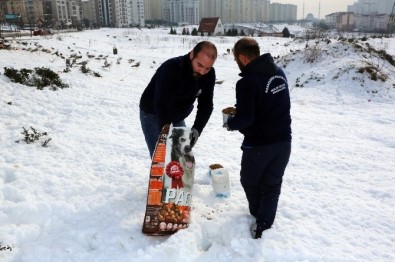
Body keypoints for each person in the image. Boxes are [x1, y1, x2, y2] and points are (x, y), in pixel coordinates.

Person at [224, 38, 292, 239]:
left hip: (259, 146)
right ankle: (265, 223)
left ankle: (257, 214)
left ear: (243, 58)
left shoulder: (246, 82)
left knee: (249, 181)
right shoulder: (279, 73)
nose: (237, 62)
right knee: (272, 184)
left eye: (236, 59)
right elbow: (268, 104)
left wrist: (230, 123)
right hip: (284, 142)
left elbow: (245, 119)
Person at [140, 41, 218, 157]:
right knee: (161, 157)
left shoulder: (209, 74)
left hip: (177, 114)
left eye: (207, 68)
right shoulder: (171, 69)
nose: (202, 72)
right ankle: (162, 174)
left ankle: (178, 174)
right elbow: (162, 105)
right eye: (200, 65)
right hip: (153, 112)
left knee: (181, 156)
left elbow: (206, 105)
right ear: (192, 54)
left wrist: (197, 129)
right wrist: (165, 133)